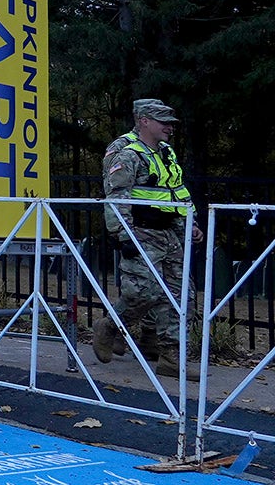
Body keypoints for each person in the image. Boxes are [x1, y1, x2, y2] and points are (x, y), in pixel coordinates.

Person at [94, 98, 203, 381]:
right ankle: (112, 327)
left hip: (169, 232)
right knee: (145, 291)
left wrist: (190, 223)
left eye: (171, 122)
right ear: (144, 121)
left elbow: (177, 191)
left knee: (182, 297)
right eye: (163, 122)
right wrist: (121, 234)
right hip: (141, 231)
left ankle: (171, 357)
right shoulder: (127, 153)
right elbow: (117, 197)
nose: (170, 127)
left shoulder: (166, 153)